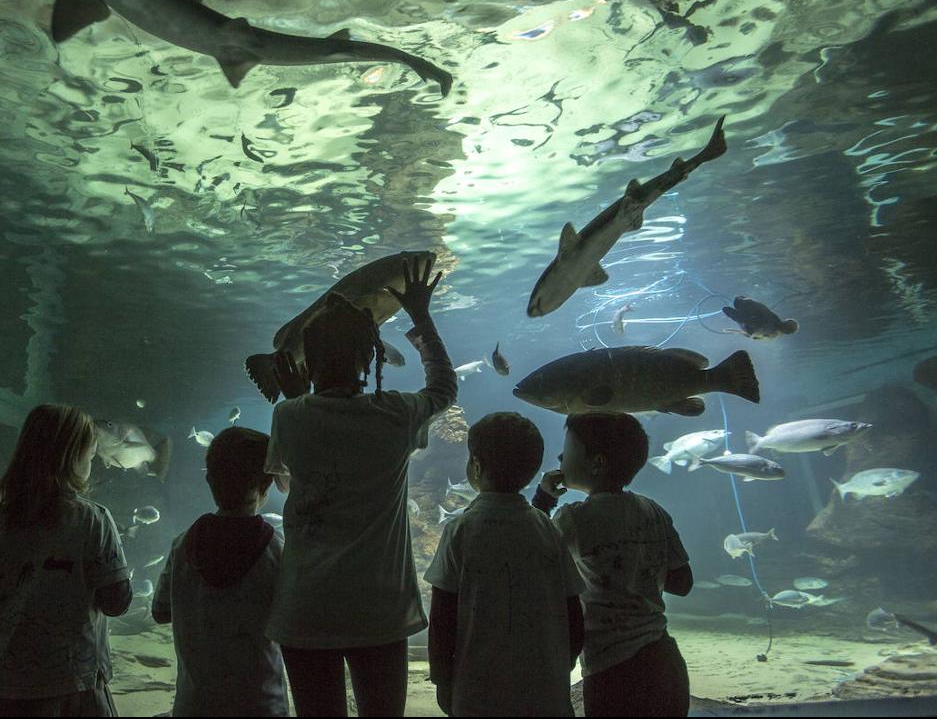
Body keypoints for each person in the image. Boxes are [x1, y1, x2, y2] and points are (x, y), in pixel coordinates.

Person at [264, 255, 457, 717]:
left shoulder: (288, 414)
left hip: (307, 607)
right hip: (378, 609)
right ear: (369, 356)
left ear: (308, 365)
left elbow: (294, 487)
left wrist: (297, 396)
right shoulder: (394, 414)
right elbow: (444, 389)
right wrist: (421, 316)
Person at [0, 404, 131, 717]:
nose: (92, 463)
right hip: (75, 689)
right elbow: (116, 601)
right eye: (91, 456)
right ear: (73, 457)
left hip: (7, 693)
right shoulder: (93, 519)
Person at [532, 413, 694, 717]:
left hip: (611, 670)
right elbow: (682, 583)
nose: (559, 456)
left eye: (567, 450)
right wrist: (638, 568)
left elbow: (532, 552)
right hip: (665, 662)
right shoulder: (653, 510)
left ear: (597, 463)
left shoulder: (574, 519)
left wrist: (543, 499)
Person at [425, 412, 584, 717]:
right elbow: (572, 605)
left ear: (476, 465)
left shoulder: (460, 529)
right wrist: (565, 662)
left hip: (477, 693)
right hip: (545, 692)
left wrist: (443, 679)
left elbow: (442, 612)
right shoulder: (546, 528)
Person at [151, 426, 288, 717]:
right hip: (261, 706)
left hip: (194, 707)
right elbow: (292, 621)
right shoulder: (275, 549)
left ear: (209, 480)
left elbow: (161, 612)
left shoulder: (182, 545)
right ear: (266, 485)